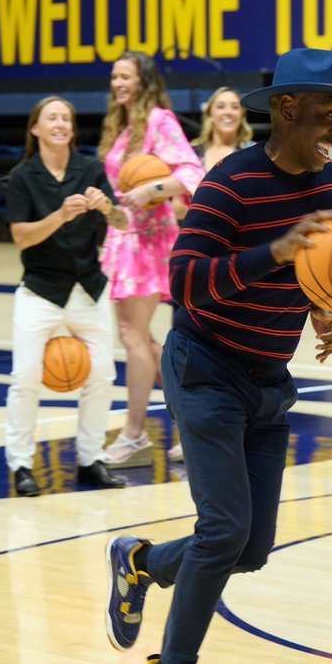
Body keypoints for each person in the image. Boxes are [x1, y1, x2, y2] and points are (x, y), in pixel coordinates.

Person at [103, 48, 332, 664]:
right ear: (286, 108)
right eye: (328, 113)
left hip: (268, 382)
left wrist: (322, 311)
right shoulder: (229, 184)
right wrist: (270, 252)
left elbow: (314, 264)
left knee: (248, 550)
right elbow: (187, 282)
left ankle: (139, 562)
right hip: (206, 369)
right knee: (224, 529)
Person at [3, 96, 129, 494]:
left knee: (102, 375)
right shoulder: (23, 176)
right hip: (41, 290)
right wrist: (61, 214)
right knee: (24, 377)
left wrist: (107, 207)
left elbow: (123, 221)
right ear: (36, 129)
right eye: (51, 117)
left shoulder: (90, 168)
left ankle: (91, 460)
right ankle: (22, 465)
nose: (60, 123)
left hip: (88, 288)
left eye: (67, 119)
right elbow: (21, 238)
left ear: (72, 130)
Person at [98, 51, 205, 468]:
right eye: (114, 77)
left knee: (133, 335)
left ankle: (135, 434)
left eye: (125, 76)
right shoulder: (120, 126)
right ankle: (192, 422)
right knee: (138, 337)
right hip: (123, 236)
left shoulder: (160, 120)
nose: (118, 83)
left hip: (151, 237)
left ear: (143, 80)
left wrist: (154, 189)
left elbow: (192, 173)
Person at [166, 85, 256, 461]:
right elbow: (174, 206)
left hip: (236, 268)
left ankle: (241, 425)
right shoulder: (192, 156)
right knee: (187, 352)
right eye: (221, 105)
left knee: (237, 348)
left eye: (235, 106)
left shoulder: (253, 157)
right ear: (209, 114)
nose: (228, 111)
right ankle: (185, 434)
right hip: (196, 262)